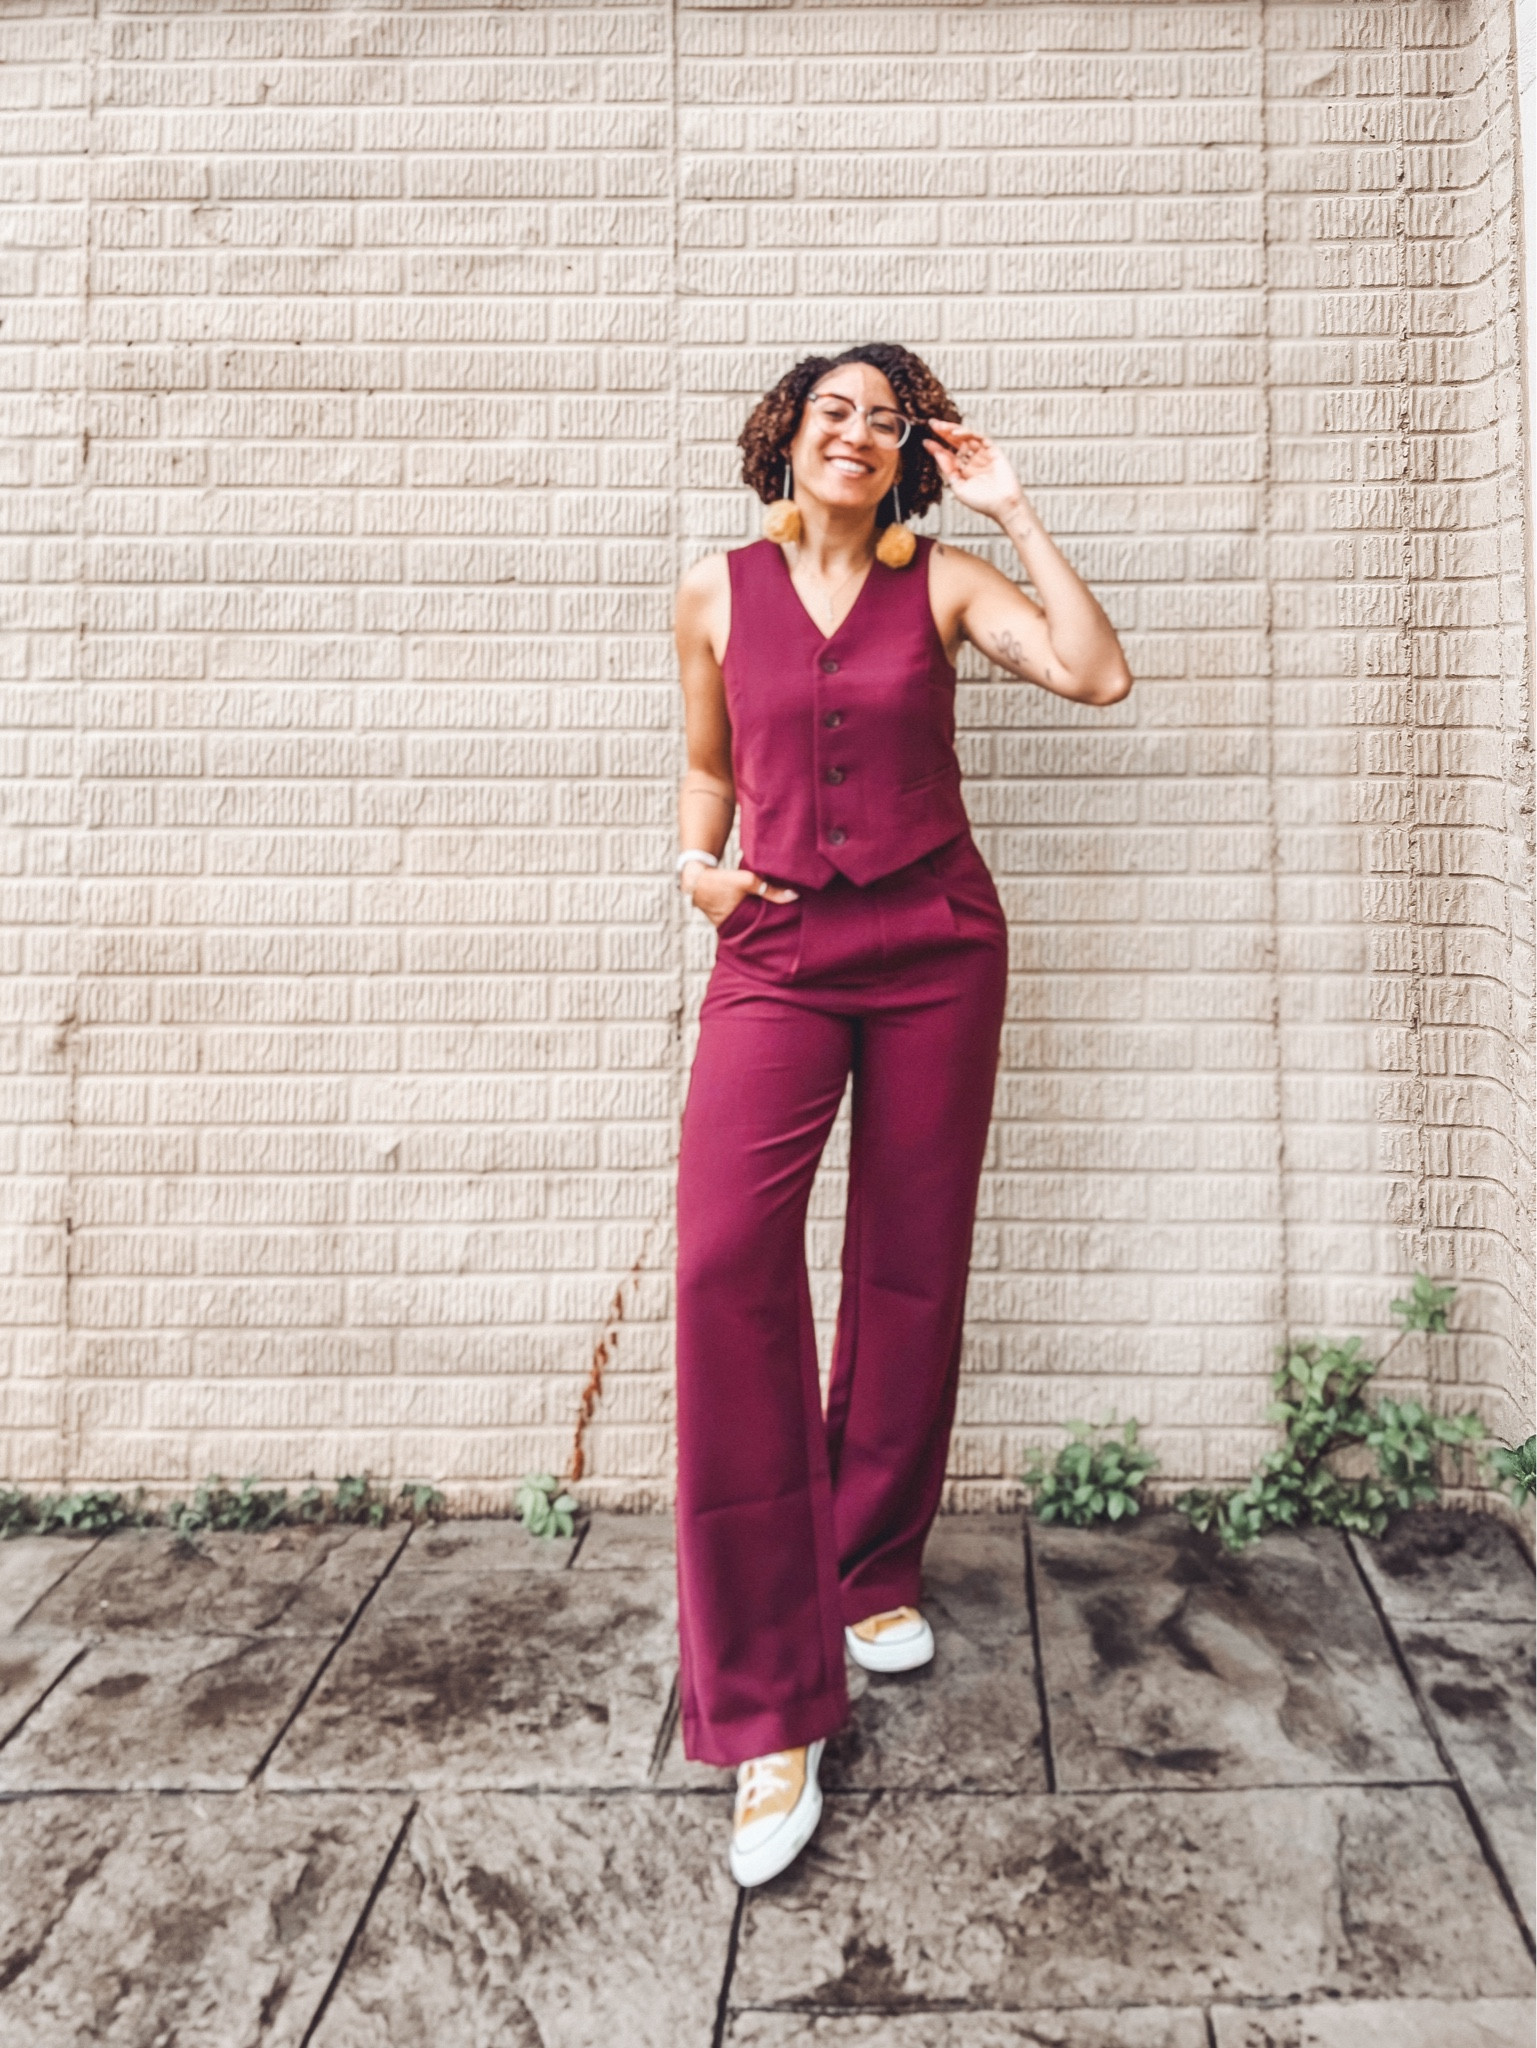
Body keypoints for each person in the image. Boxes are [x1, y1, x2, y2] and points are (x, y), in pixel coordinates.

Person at [671, 343, 1132, 1887]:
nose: (856, 432)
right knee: (725, 1267)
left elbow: (1092, 674)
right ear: (787, 434)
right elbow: (705, 764)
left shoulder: (939, 584)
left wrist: (1014, 512)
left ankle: (869, 1565)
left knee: (908, 1265)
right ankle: (766, 1707)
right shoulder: (712, 591)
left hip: (936, 947)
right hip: (777, 951)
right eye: (834, 411)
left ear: (908, 454)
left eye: (884, 418)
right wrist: (696, 868)